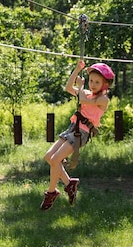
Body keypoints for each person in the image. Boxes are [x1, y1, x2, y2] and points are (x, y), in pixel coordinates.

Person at [41, 59, 115, 210]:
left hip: (81, 133)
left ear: (105, 85)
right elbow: (68, 87)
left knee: (55, 160)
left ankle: (51, 192)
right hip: (72, 128)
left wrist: (81, 87)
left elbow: (82, 99)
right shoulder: (86, 92)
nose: (92, 84)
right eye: (91, 81)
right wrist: (76, 70)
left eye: (97, 82)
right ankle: (70, 184)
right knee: (49, 157)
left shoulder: (103, 99)